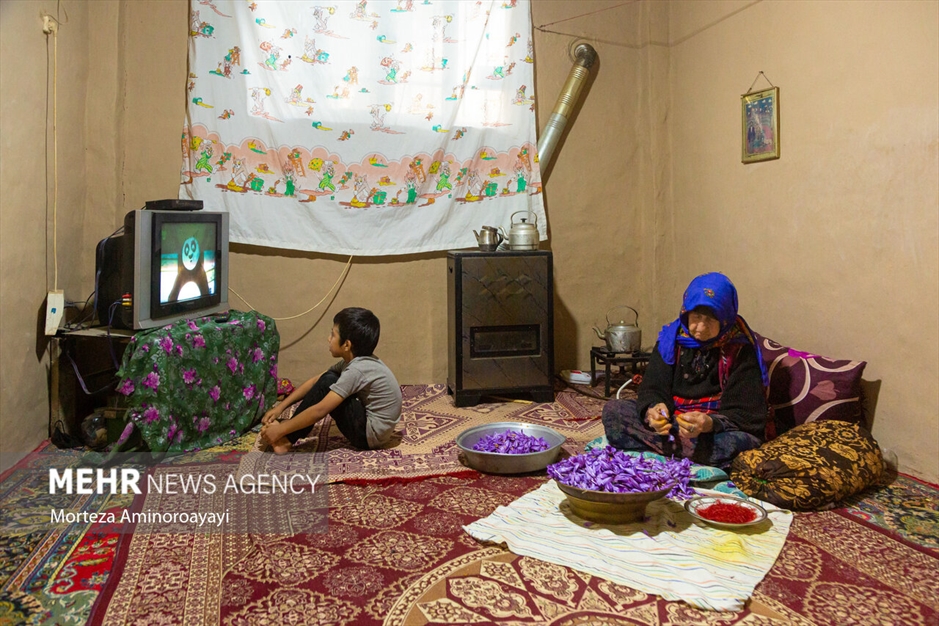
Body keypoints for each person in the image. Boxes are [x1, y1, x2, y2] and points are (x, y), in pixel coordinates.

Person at [601, 272, 769, 468]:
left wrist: (709, 423)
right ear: (685, 313)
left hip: (714, 430)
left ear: (725, 319)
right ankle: (683, 452)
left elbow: (747, 414)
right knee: (614, 411)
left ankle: (665, 450)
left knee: (735, 445)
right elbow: (652, 387)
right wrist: (653, 410)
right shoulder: (670, 340)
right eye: (696, 317)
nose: (700, 328)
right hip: (674, 421)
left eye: (710, 320)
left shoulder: (740, 349)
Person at [260, 307, 402, 454]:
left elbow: (320, 410)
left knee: (329, 382)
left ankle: (286, 440)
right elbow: (317, 381)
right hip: (375, 430)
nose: (329, 339)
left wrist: (281, 430)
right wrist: (280, 408)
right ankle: (289, 430)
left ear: (346, 345)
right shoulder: (357, 361)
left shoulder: (356, 370)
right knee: (328, 378)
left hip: (369, 436)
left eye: (333, 335)